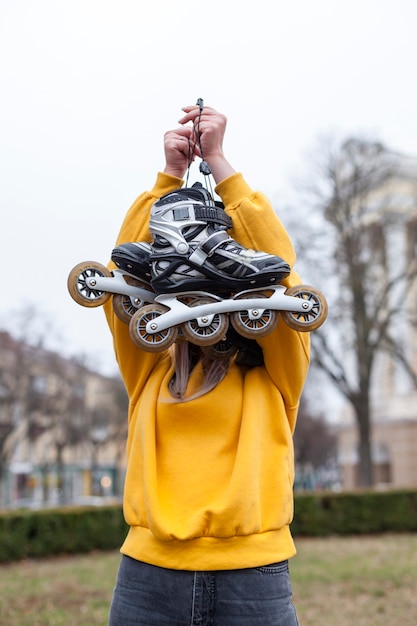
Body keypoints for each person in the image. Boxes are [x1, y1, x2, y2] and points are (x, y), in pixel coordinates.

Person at [104, 103, 309, 626]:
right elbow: (118, 284)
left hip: (253, 577)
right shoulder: (150, 369)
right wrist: (168, 179)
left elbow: (285, 280)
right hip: (149, 574)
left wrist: (221, 165)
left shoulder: (274, 372)